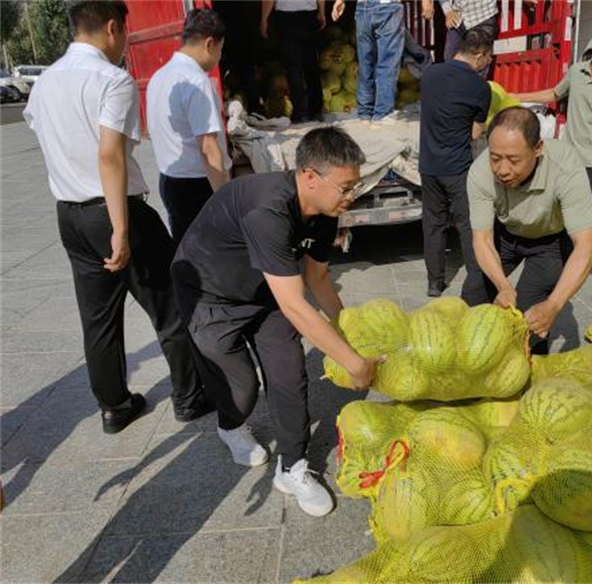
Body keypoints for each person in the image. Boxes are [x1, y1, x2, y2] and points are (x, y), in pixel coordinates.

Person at [171, 127, 382, 517]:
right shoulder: (267, 209)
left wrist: (349, 333)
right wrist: (354, 364)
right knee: (242, 390)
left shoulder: (326, 211)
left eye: (355, 186)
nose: (351, 196)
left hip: (265, 290)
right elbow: (297, 306)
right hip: (209, 294)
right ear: (310, 177)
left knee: (288, 372)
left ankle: (293, 467)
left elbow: (317, 278)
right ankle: (230, 425)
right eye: (346, 187)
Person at [23, 0, 211, 433]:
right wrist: (121, 229)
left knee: (98, 318)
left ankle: (114, 407)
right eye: (125, 31)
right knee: (169, 303)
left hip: (70, 216)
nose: (125, 40)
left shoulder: (45, 82)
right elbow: (109, 155)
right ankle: (189, 396)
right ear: (112, 27)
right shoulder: (112, 79)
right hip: (115, 211)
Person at [465, 107, 592, 354]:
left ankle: (531, 368)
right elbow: (482, 239)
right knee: (474, 295)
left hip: (548, 242)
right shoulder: (480, 172)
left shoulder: (565, 166)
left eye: (514, 160)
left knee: (532, 318)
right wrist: (503, 286)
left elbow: (587, 247)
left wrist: (554, 305)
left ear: (537, 149)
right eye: (495, 158)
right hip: (506, 234)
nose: (502, 170)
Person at [515, 26, 592, 289]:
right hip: (569, 159)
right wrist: (518, 98)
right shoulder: (576, 73)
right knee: (562, 210)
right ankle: (565, 259)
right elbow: (554, 94)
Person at [147, 8, 231, 246]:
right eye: (220, 50)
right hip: (198, 186)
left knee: (186, 251)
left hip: (170, 181)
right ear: (209, 44)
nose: (219, 57)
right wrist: (224, 201)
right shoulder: (196, 81)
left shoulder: (159, 76)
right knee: (211, 255)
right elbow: (208, 148)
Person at [419, 29, 492, 298]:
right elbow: (474, 133)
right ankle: (476, 281)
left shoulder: (429, 74)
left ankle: (434, 283)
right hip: (458, 168)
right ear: (480, 56)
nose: (489, 63)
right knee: (468, 225)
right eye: (490, 58)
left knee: (433, 224)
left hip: (428, 166)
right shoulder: (480, 87)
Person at [332, 0, 430, 125]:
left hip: (363, 7)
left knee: (365, 64)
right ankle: (383, 114)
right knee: (387, 64)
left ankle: (364, 113)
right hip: (387, 6)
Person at [260, 0, 325, 124]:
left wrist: (264, 19)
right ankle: (316, 110)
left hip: (286, 18)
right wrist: (321, 12)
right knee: (311, 65)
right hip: (309, 15)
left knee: (293, 68)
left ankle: (299, 113)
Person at [436, 0, 498, 74]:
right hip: (457, 17)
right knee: (450, 60)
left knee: (479, 63)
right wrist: (447, 11)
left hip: (483, 14)